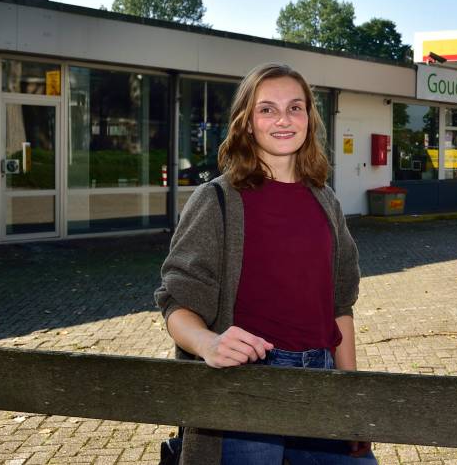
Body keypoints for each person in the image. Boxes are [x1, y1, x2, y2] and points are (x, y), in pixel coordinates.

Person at [155, 63, 375, 464]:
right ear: (247, 122)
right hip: (245, 387)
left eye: (295, 107)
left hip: (322, 381)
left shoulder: (326, 201)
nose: (283, 120)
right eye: (267, 109)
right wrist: (209, 343)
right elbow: (176, 303)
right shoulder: (216, 200)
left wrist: (350, 399)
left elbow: (341, 308)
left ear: (309, 117)